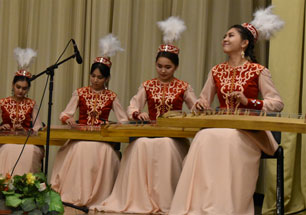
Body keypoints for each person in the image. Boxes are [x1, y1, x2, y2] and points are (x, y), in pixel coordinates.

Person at [169, 6, 285, 215]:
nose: (225, 38)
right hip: (220, 125)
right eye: (224, 36)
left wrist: (249, 101)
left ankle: (226, 207)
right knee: (203, 137)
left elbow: (276, 103)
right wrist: (200, 105)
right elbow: (202, 100)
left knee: (228, 139)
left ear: (244, 43)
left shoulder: (258, 71)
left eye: (231, 35)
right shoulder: (216, 70)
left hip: (249, 130)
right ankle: (202, 205)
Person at [95, 17, 197, 214]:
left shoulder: (183, 86)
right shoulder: (148, 84)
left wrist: (188, 115)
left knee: (166, 145)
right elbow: (132, 105)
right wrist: (137, 113)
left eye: (168, 67)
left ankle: (166, 200)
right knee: (139, 145)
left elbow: (196, 109)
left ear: (175, 67)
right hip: (150, 132)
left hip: (173, 137)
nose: (163, 71)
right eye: (159, 66)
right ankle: (138, 199)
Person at [50, 34, 128, 208]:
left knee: (101, 152)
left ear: (107, 78)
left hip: (101, 138)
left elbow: (124, 121)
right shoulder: (81, 92)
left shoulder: (111, 96)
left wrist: (112, 125)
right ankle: (74, 194)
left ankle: (97, 195)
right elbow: (64, 114)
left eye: (99, 77)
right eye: (92, 76)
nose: (95, 80)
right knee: (79, 149)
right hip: (81, 136)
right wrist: (68, 119)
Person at [0, 48, 44, 176]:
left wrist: (24, 130)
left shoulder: (31, 104)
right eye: (18, 87)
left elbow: (39, 126)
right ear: (12, 85)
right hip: (6, 141)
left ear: (28, 89)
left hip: (26, 142)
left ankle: (26, 184)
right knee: (8, 149)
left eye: (24, 88)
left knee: (30, 150)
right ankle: (6, 184)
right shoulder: (3, 103)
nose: (21, 91)